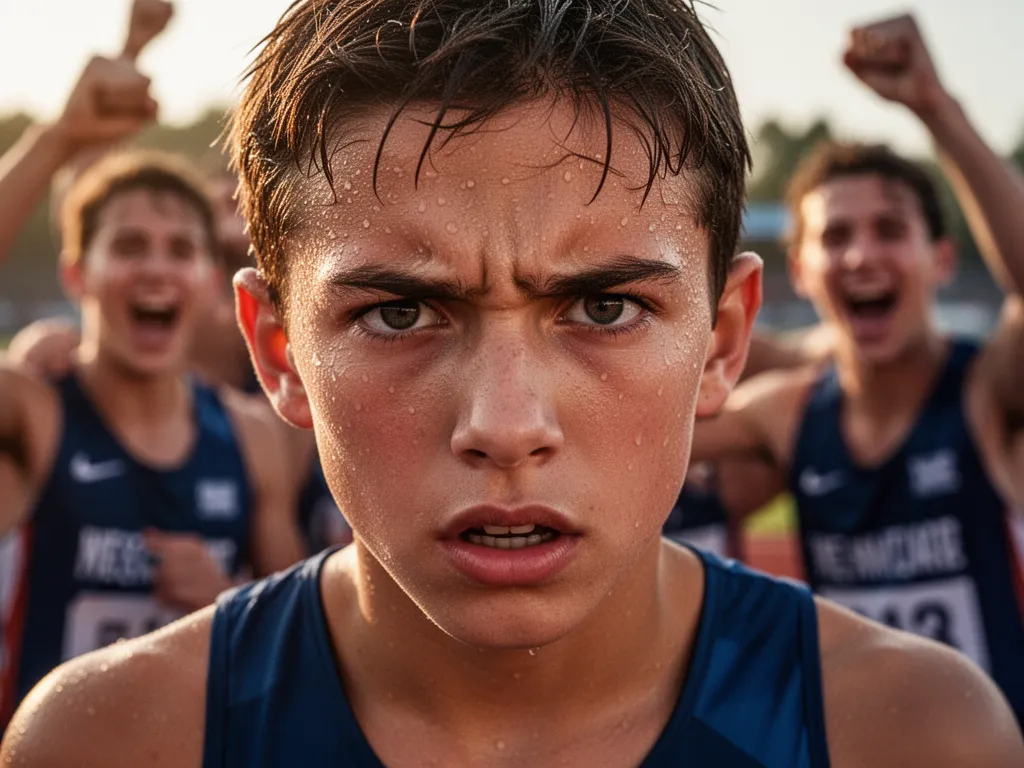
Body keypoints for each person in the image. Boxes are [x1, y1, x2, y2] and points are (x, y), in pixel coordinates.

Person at [4, 2, 1021, 765]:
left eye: (605, 307)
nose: (505, 424)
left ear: (722, 343)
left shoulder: (916, 735)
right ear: (279, 352)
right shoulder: (109, 741)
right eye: (400, 313)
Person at [691, 13, 1024, 724]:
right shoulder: (787, 411)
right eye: (836, 235)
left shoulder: (988, 389)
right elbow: (631, 431)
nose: (862, 256)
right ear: (801, 272)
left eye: (889, 230)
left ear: (941, 259)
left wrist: (936, 107)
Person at [0, 55, 304, 726]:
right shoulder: (36, 410)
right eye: (130, 246)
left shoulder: (253, 436)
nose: (157, 270)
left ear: (209, 283)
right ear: (77, 275)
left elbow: (298, 654)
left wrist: (227, 602)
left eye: (180, 250)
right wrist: (56, 140)